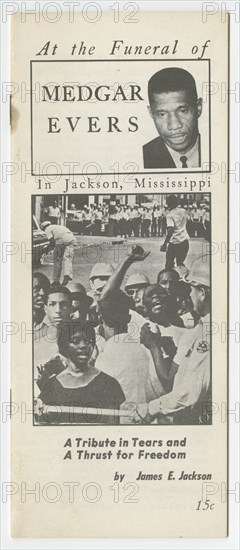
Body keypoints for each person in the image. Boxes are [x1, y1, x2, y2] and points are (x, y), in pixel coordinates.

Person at [134, 255, 211, 425]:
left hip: (194, 419)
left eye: (190, 288)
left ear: (203, 293)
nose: (188, 294)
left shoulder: (204, 334)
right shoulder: (198, 330)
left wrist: (152, 408)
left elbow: (190, 391)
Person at [35, 320, 125, 424]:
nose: (83, 346)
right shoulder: (51, 386)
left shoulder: (108, 384)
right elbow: (44, 427)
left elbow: (114, 429)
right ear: (64, 345)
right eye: (75, 341)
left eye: (88, 341)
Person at [96, 289, 150, 410]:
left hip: (120, 422)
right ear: (129, 318)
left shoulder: (106, 357)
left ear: (100, 319)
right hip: (142, 418)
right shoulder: (141, 350)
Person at [143, 67, 203, 169]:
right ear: (151, 113)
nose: (174, 125)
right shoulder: (143, 157)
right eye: (162, 114)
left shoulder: (223, 148)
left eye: (182, 111)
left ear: (198, 108)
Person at [34, 284, 72, 378]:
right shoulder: (36, 347)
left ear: (71, 308)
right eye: (52, 304)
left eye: (64, 304)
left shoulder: (85, 343)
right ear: (45, 309)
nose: (58, 310)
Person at [40, 221, 77, 285]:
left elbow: (52, 242)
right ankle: (67, 275)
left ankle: (56, 280)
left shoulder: (47, 229)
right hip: (72, 238)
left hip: (61, 239)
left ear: (43, 227)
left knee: (57, 259)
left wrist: (45, 250)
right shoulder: (57, 226)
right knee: (68, 258)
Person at [160, 195, 189, 271]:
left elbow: (171, 230)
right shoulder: (183, 211)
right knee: (180, 264)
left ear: (168, 204)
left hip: (175, 243)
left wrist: (165, 244)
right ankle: (182, 280)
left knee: (169, 265)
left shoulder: (169, 215)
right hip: (185, 242)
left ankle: (172, 281)